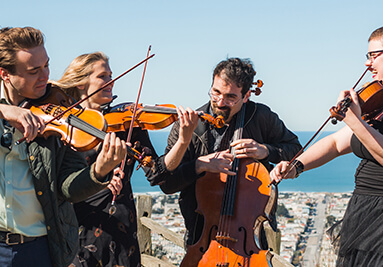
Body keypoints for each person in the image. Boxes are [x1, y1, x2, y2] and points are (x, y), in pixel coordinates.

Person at [270, 24, 383, 266]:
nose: (367, 64)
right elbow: (335, 143)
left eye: (374, 55)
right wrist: (296, 166)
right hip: (365, 213)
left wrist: (356, 120)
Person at [52, 51, 199, 267]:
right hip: (81, 229)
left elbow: (158, 172)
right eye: (103, 76)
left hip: (123, 231)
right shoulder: (65, 128)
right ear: (81, 83)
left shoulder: (128, 124)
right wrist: (98, 180)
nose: (111, 81)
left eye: (111, 75)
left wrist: (184, 139)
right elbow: (57, 183)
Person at [0, 27, 127, 267]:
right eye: (33, 71)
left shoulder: (58, 111)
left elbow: (66, 188)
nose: (45, 77)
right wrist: (5, 110)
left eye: (46, 66)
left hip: (37, 248)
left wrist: (98, 172)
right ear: (5, 75)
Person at [147, 57, 302, 250]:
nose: (220, 102)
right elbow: (167, 184)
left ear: (246, 97)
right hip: (200, 233)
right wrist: (199, 165)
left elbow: (296, 149)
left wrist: (266, 151)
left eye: (230, 97)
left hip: (249, 233)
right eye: (216, 92)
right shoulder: (188, 126)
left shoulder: (261, 117)